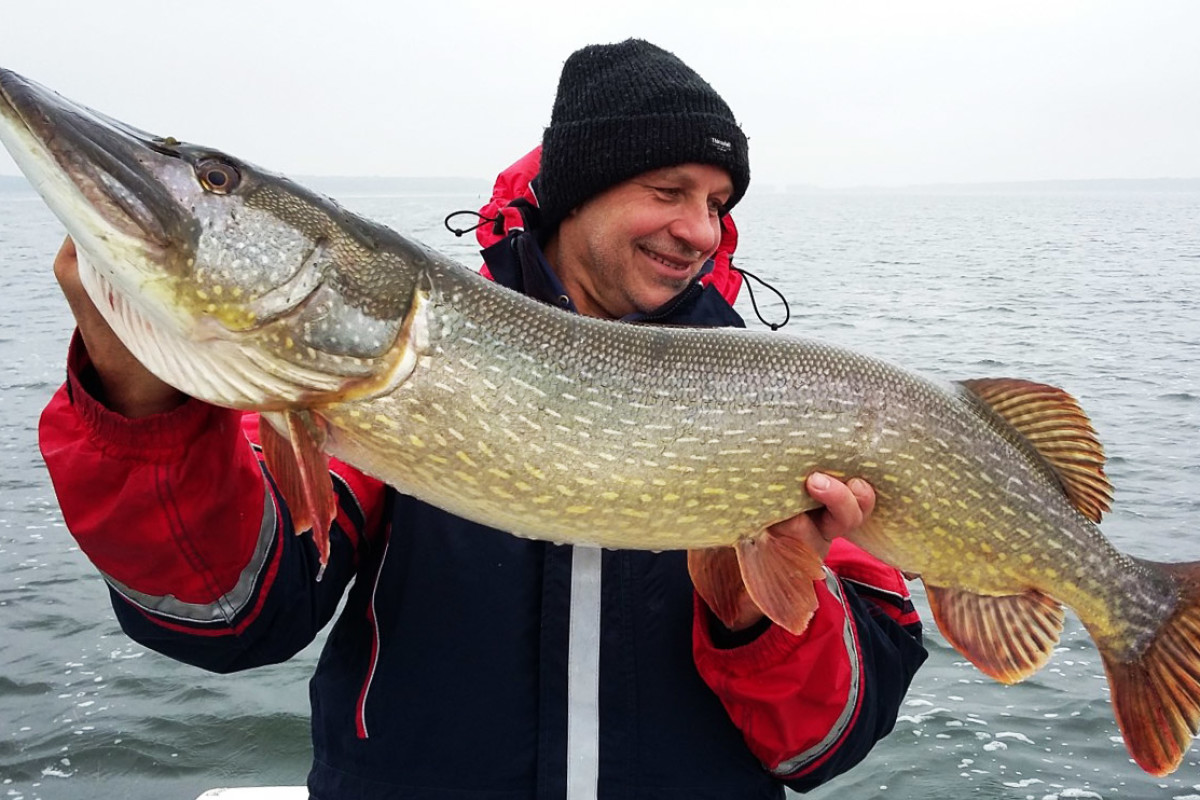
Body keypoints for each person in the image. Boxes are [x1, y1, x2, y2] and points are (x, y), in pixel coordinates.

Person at [40, 39, 927, 799]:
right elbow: (230, 612)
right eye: (670, 188)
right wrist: (141, 407)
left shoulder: (787, 404)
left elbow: (827, 745)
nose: (700, 230)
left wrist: (755, 614)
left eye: (718, 204)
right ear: (581, 190)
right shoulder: (375, 375)